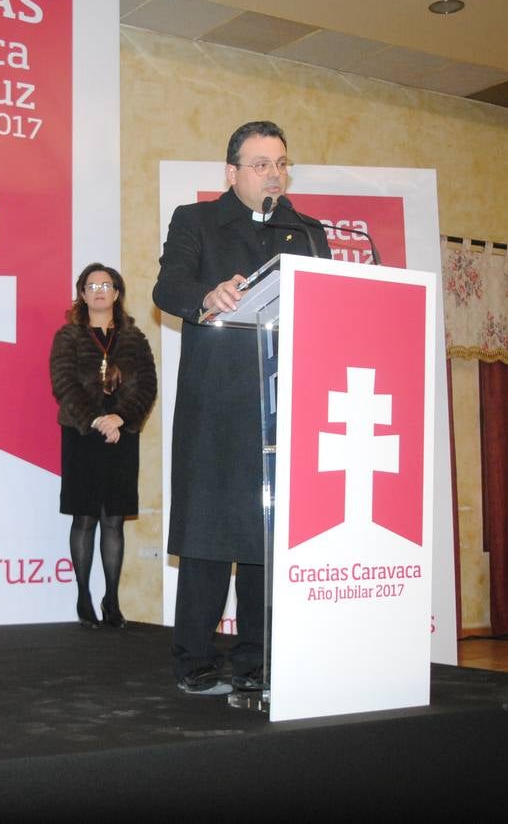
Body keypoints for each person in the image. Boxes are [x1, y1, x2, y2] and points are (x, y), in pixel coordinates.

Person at [152, 121, 327, 695]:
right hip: (217, 407)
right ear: (231, 173)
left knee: (265, 542)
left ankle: (258, 663)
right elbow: (167, 287)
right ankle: (196, 662)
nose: (273, 173)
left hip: (282, 410)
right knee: (208, 535)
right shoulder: (195, 221)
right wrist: (207, 296)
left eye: (281, 163)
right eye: (260, 164)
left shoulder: (306, 231)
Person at [49, 263, 157, 629]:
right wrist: (97, 419)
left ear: (117, 293)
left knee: (114, 520)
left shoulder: (134, 337)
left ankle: (112, 599)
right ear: (82, 293)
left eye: (106, 285)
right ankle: (84, 597)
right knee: (85, 517)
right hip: (83, 435)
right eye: (91, 285)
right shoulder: (68, 336)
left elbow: (147, 387)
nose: (99, 290)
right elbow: (63, 383)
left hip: (122, 436)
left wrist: (119, 419)